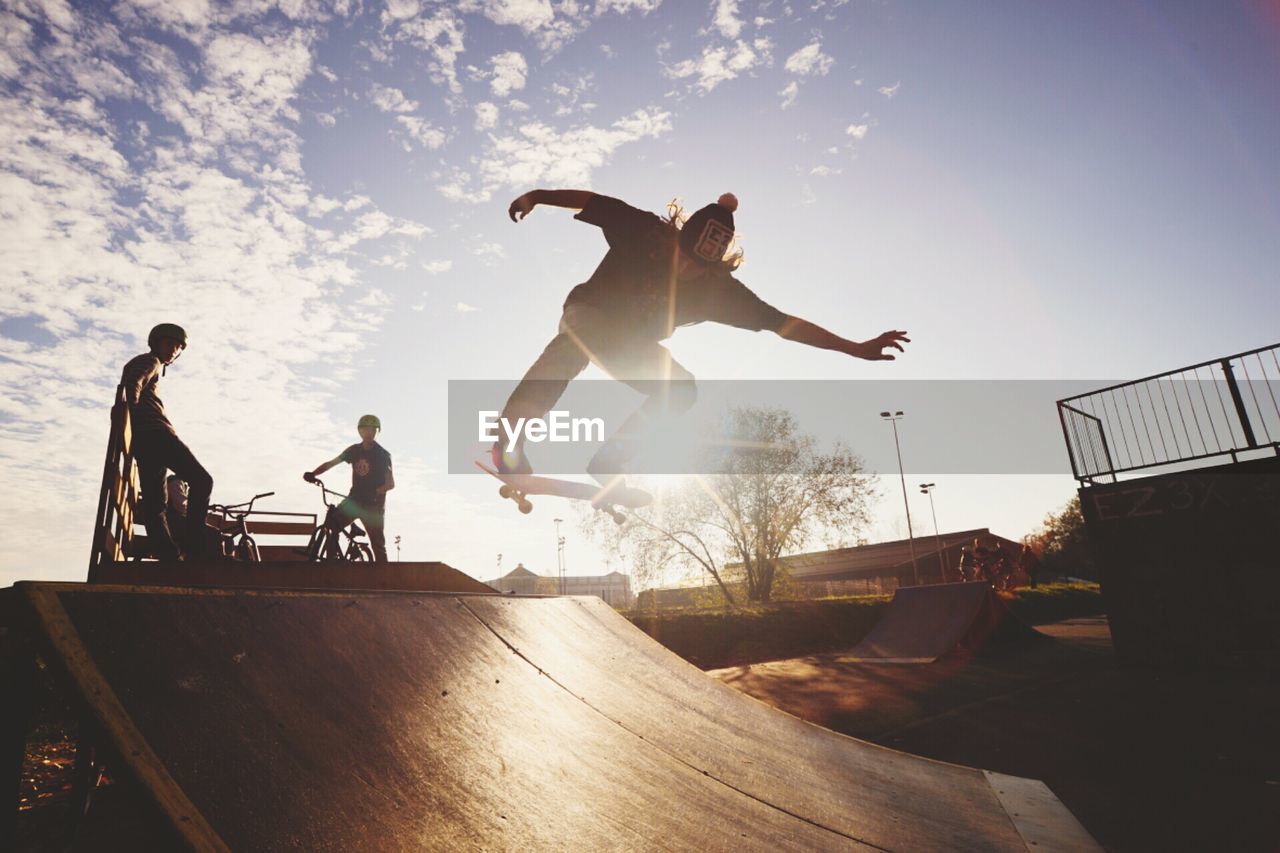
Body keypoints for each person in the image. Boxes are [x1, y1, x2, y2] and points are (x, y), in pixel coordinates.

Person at [491, 189, 911, 483]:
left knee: (681, 390)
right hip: (590, 312)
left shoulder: (717, 289)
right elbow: (592, 201)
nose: (687, 272)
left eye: (699, 269)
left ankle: (610, 461)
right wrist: (539, 196)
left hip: (629, 345)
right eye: (684, 259)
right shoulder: (645, 230)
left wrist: (853, 348)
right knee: (575, 347)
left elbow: (783, 323)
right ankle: (509, 441)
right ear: (676, 239)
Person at [121, 323, 213, 560]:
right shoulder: (150, 361)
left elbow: (132, 385)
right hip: (158, 435)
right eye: (169, 343)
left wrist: (132, 425)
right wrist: (130, 413)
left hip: (143, 441)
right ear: (156, 343)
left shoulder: (147, 363)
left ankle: (168, 555)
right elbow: (133, 384)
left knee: (155, 502)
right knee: (202, 481)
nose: (173, 350)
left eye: (178, 347)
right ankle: (194, 544)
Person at [304, 414, 394, 561]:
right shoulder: (354, 450)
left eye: (373, 430)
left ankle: (384, 579)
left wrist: (374, 492)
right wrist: (313, 474)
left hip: (373, 506)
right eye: (365, 430)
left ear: (377, 432)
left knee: (377, 545)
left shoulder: (383, 455)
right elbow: (332, 463)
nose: (369, 433)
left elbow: (390, 484)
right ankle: (332, 564)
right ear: (360, 432)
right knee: (332, 525)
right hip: (354, 501)